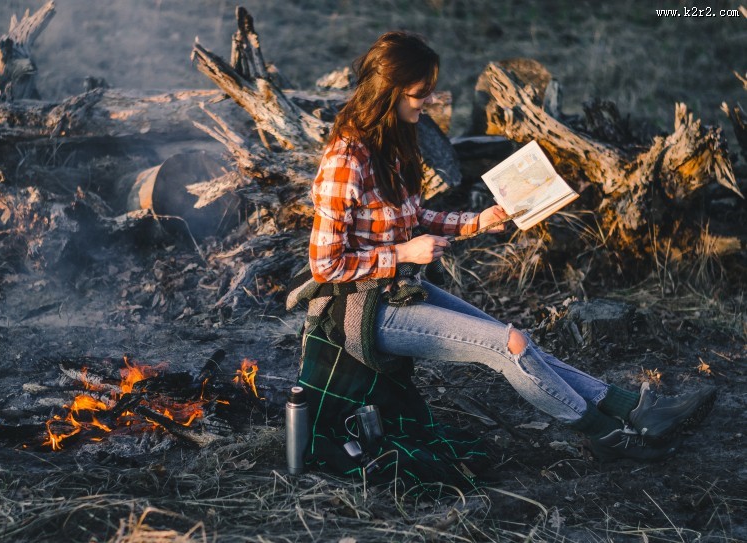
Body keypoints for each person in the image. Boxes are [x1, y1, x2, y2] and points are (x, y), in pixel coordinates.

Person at [290, 30, 716, 464]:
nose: (430, 100)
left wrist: (478, 221)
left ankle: (636, 410)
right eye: (421, 93)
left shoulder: (392, 142)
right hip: (359, 309)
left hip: (399, 289)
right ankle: (611, 439)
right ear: (389, 92)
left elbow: (413, 218)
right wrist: (402, 254)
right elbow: (325, 265)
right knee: (507, 345)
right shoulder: (346, 159)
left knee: (522, 343)